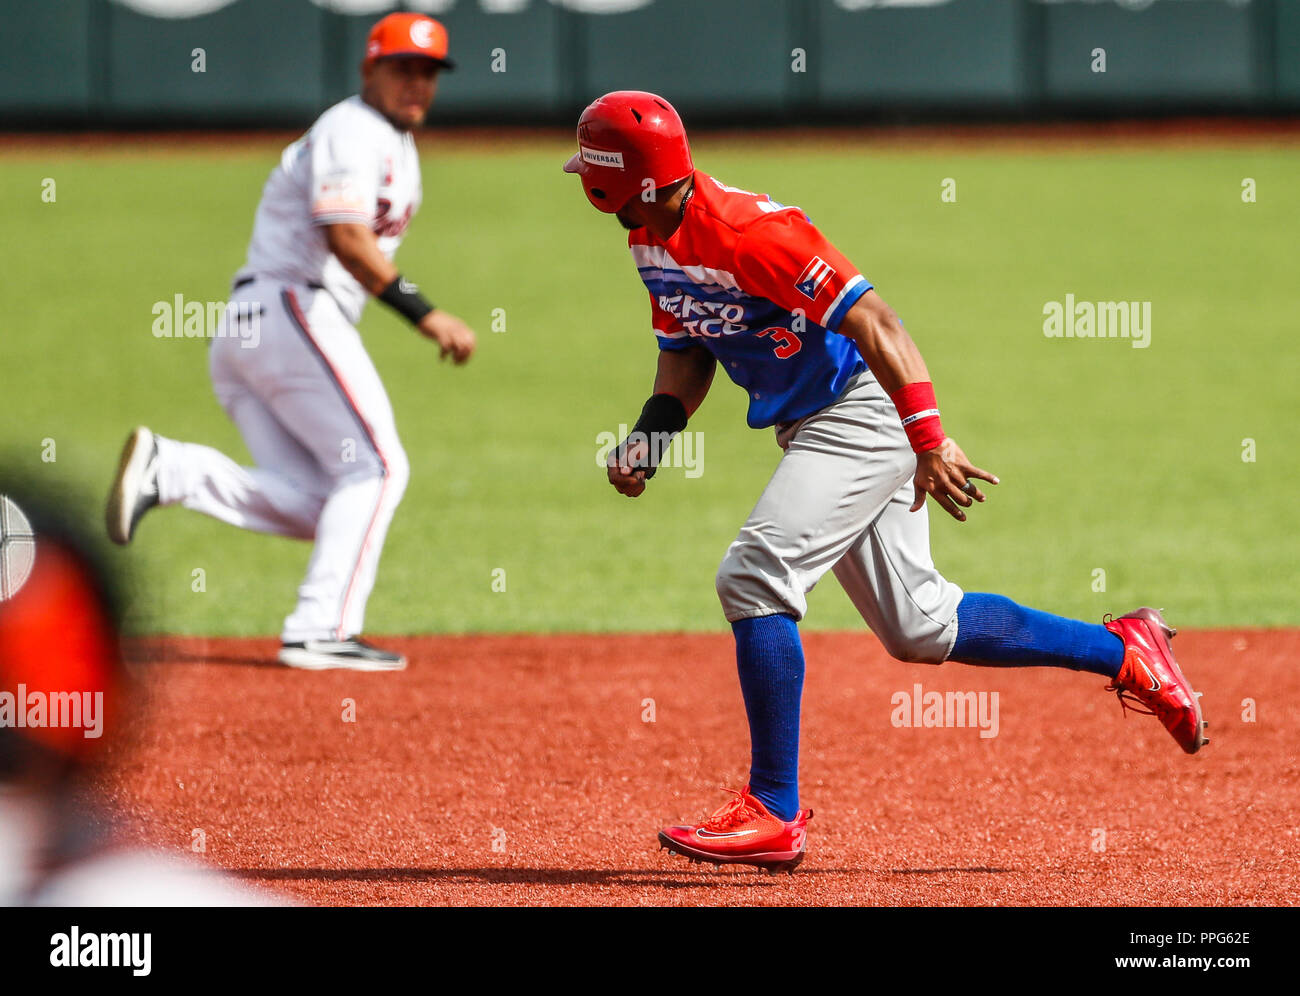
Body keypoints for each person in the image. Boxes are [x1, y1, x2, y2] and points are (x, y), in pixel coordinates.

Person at [564, 91, 1208, 874]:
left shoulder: (751, 232)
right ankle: (1124, 650)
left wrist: (927, 439)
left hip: (860, 413)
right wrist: (652, 437)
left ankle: (773, 809)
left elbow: (880, 325)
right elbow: (687, 349)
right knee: (921, 626)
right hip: (817, 424)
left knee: (754, 576)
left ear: (618, 180)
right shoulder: (648, 235)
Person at [106, 13, 476, 671]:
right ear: (369, 69)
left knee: (327, 501)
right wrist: (427, 314)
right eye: (402, 68)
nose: (416, 83)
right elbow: (346, 237)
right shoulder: (351, 130)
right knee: (379, 466)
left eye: (428, 72)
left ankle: (175, 470)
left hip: (263, 325)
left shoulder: (393, 143)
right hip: (291, 309)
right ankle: (319, 628)